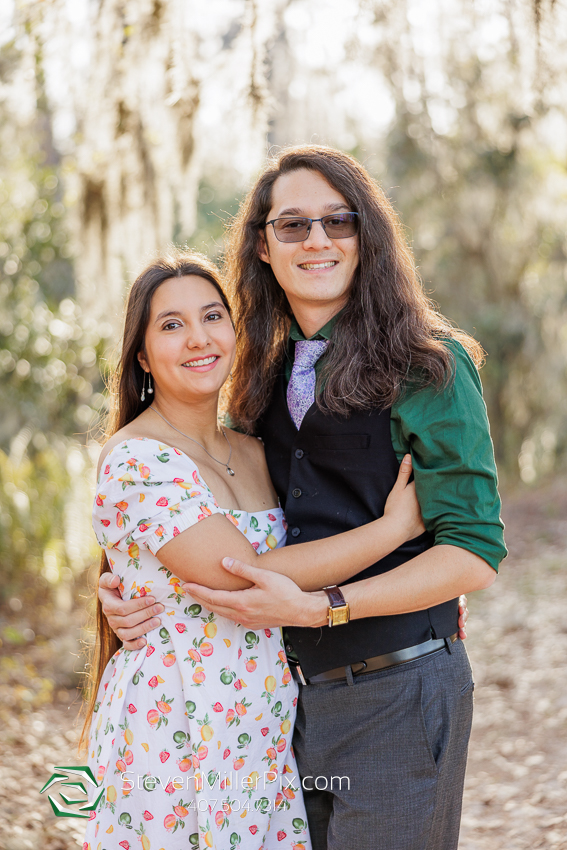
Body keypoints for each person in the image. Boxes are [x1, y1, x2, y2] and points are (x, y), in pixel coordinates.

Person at [99, 145, 506, 850]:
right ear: (262, 245)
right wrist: (135, 585)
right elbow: (227, 531)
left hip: (396, 688)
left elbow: (472, 554)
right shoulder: (260, 378)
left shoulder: (428, 366)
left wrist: (327, 608)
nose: (316, 240)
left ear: (366, 235)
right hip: (278, 710)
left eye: (337, 221)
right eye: (292, 225)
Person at [83, 249, 439, 850]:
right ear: (142, 354)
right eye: (171, 325)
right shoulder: (136, 458)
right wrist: (393, 530)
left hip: (263, 719)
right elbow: (240, 576)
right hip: (173, 721)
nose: (198, 337)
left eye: (212, 316)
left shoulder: (253, 447)